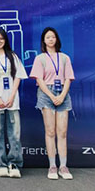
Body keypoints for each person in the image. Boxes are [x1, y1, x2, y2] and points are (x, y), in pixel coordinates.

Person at [30, 27, 75, 180]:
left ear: (57, 39)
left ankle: (63, 166)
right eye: (48, 37)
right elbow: (39, 79)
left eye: (53, 37)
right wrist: (51, 95)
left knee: (62, 132)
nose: (51, 39)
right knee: (50, 132)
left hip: (62, 93)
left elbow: (68, 78)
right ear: (43, 40)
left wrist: (61, 96)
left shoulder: (64, 58)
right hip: (46, 94)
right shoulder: (40, 58)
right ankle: (52, 166)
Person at [0, 28, 27, 178]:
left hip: (12, 101)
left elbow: (18, 76)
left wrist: (12, 96)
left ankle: (14, 163)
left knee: (15, 134)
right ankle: (0, 164)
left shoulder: (13, 56)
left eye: (1, 39)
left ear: (5, 40)